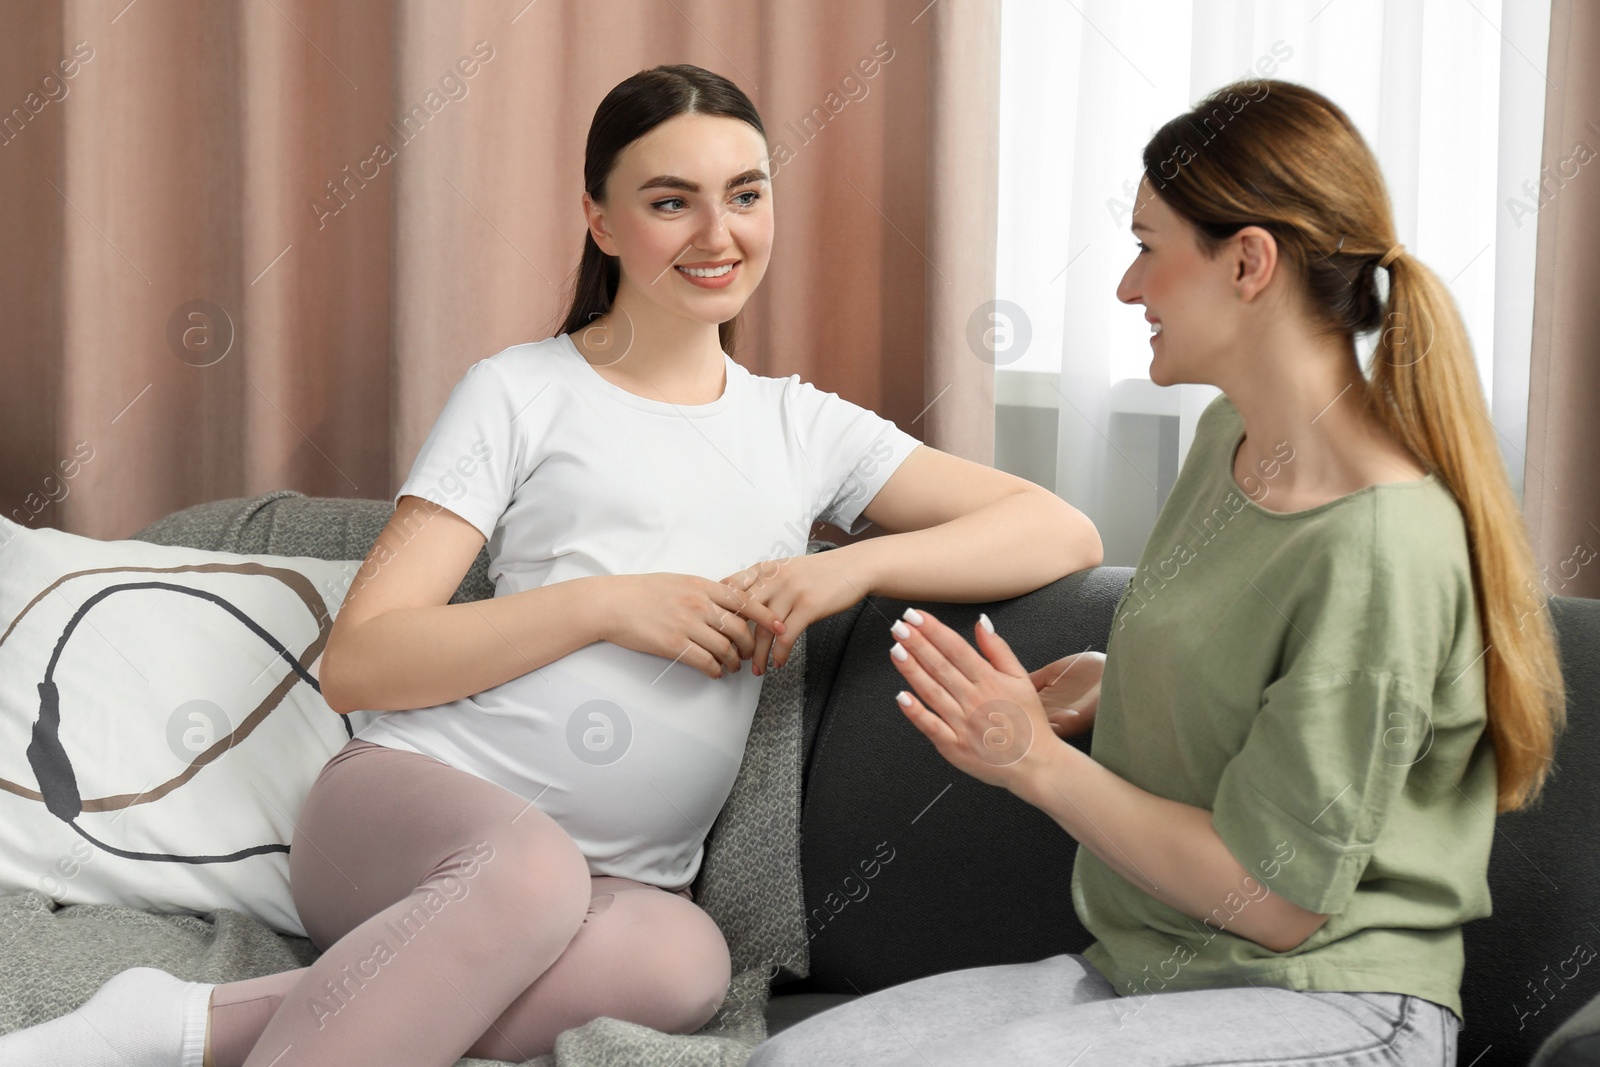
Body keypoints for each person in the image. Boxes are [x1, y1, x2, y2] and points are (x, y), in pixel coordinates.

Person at [0, 64, 1100, 1067]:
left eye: (747, 193)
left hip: (622, 885)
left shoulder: (804, 429)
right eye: (671, 200)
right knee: (526, 874)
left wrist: (842, 572)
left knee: (686, 968)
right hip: (406, 815)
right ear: (601, 219)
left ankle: (177, 1024)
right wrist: (602, 606)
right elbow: (364, 659)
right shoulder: (519, 391)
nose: (719, 232)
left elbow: (1057, 531)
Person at [747, 78, 1567, 1067]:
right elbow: (1252, 665)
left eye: (1147, 245)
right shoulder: (1232, 438)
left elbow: (1275, 901)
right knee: (786, 1061)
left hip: (1335, 1004)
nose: (1127, 288)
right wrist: (1119, 678)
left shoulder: (1380, 544)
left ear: (1248, 261)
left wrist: (1033, 763)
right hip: (1151, 969)